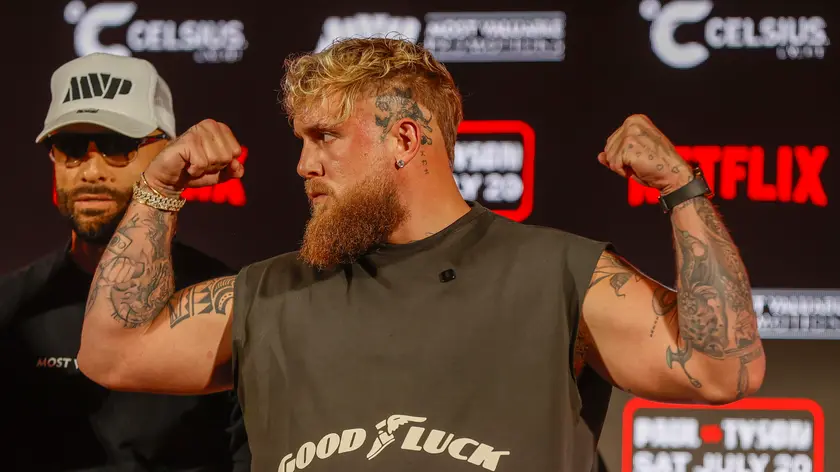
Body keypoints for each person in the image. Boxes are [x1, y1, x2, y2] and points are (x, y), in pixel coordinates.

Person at [76, 38, 766, 471]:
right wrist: (159, 189)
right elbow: (112, 353)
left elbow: (721, 369)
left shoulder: (559, 274)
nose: (302, 165)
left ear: (405, 139)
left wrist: (682, 189)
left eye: (324, 138)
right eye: (300, 141)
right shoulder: (266, 294)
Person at [0, 53, 250, 471]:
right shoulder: (9, 309)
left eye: (118, 146)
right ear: (53, 159)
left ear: (168, 153)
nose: (92, 170)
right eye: (73, 148)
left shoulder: (223, 307)